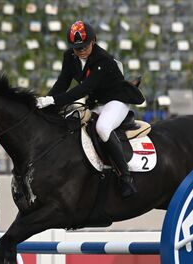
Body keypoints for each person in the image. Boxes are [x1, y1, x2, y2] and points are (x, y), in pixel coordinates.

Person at [36, 20, 145, 198]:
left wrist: (53, 100)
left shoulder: (104, 60)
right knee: (72, 122)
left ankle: (126, 177)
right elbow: (62, 83)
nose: (80, 51)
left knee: (102, 128)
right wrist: (45, 103)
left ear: (93, 41)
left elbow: (84, 88)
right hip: (96, 102)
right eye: (76, 47)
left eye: (84, 46)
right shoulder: (69, 57)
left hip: (116, 101)